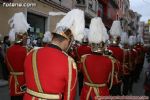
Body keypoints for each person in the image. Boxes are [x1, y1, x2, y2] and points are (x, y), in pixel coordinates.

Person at [24, 9, 85, 100]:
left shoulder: (31, 53)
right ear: (67, 41)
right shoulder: (69, 62)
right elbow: (69, 96)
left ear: (52, 36)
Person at [80, 17, 116, 100]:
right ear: (104, 46)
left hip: (87, 94)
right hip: (102, 93)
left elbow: (80, 71)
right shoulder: (110, 60)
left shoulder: (84, 58)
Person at [5, 12, 30, 100]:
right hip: (22, 81)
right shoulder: (25, 50)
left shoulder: (8, 50)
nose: (26, 40)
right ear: (22, 38)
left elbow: (6, 64)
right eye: (25, 38)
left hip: (12, 80)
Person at [108, 20, 123, 96]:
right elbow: (121, 63)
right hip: (116, 76)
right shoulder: (121, 51)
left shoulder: (107, 48)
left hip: (107, 76)